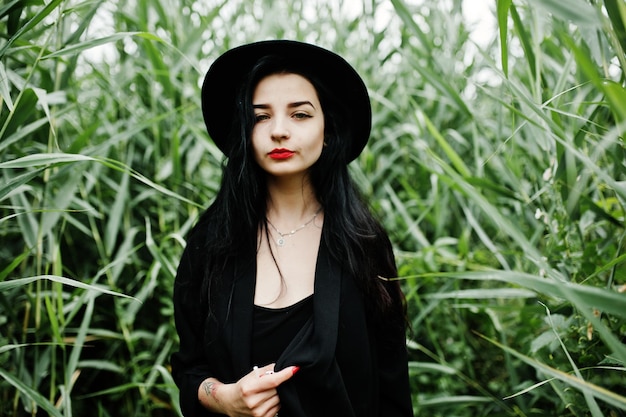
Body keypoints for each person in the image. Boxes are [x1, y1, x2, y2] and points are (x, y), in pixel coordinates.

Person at [171, 39, 413, 417]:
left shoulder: (363, 242)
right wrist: (224, 397)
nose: (279, 131)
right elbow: (189, 367)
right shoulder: (212, 241)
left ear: (328, 129)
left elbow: (392, 384)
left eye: (299, 114)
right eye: (260, 116)